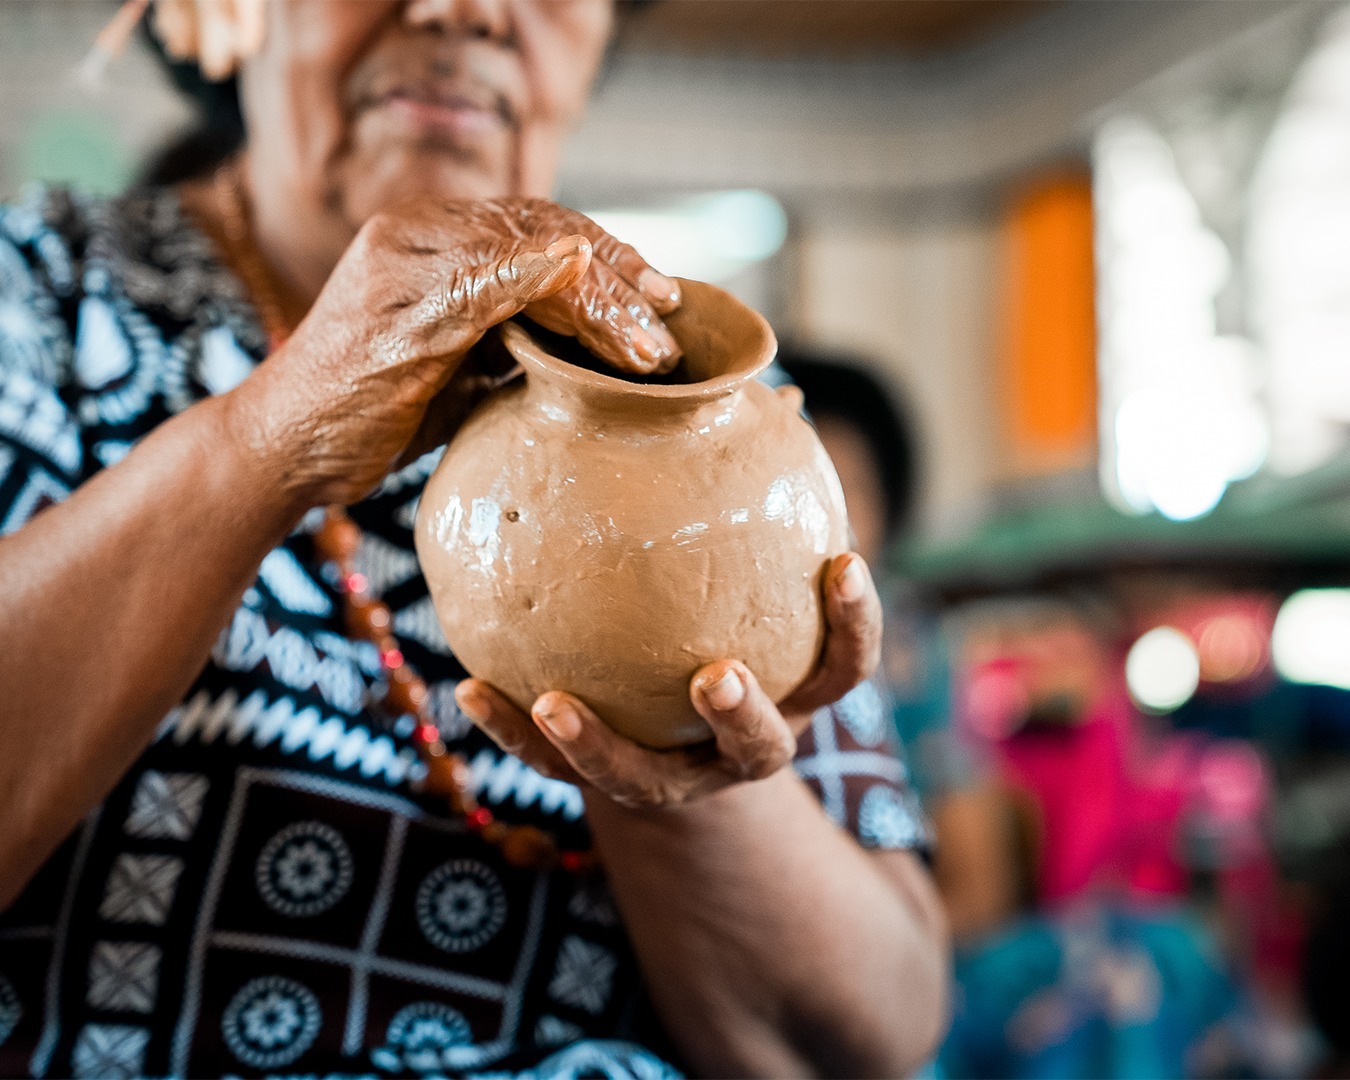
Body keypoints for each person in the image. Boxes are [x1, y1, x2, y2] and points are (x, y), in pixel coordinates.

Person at [0, 2, 947, 1077]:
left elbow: (873, 1036)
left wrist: (667, 740)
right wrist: (265, 442)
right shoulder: (37, 309)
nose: (470, 10)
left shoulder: (707, 400)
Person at [781, 351, 1019, 946]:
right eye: (802, 482)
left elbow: (980, 886)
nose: (826, 514)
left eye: (851, 488)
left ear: (891, 506)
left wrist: (883, 972)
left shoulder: (913, 651)